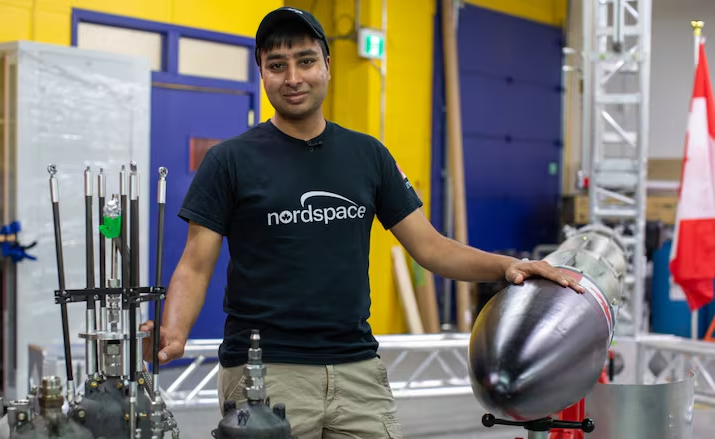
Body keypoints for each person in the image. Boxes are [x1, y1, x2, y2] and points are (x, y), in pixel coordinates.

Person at [141, 6, 584, 438]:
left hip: (357, 371)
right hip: (266, 372)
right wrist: (174, 333)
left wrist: (508, 266)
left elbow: (431, 247)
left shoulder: (368, 156)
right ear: (262, 72)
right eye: (277, 65)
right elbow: (195, 264)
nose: (292, 77)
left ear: (327, 66)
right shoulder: (229, 160)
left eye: (306, 61)